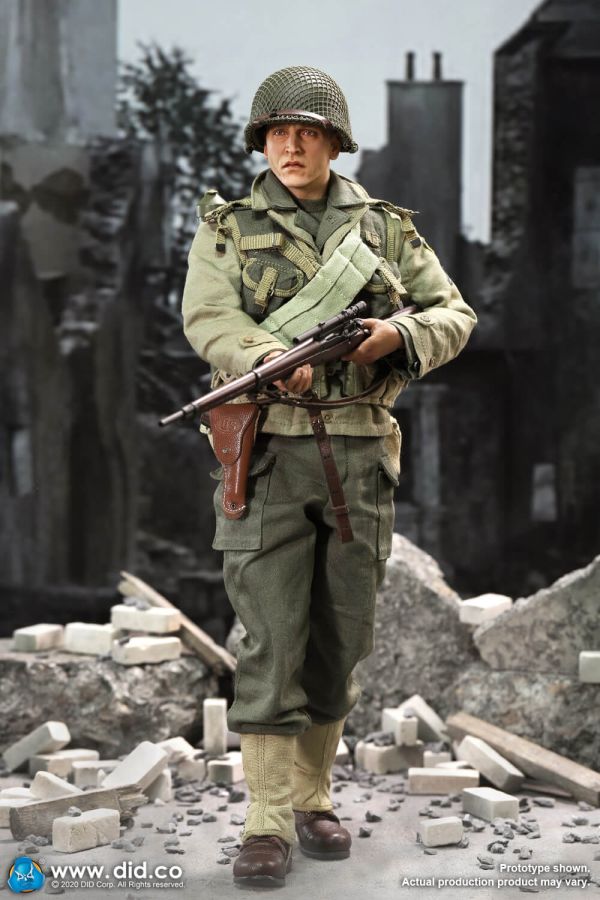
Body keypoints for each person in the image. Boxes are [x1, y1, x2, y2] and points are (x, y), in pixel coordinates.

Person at [181, 65, 477, 888]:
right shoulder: (228, 228)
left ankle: (315, 798)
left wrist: (396, 337)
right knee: (271, 638)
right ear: (261, 142)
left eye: (308, 132)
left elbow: (454, 313)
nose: (292, 146)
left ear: (335, 143)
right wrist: (269, 355)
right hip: (268, 453)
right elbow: (209, 315)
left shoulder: (384, 230)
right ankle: (267, 819)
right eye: (278, 132)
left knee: (342, 637)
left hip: (359, 451)